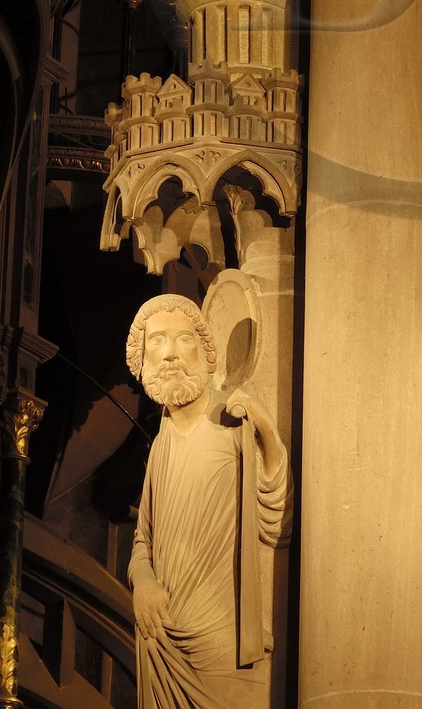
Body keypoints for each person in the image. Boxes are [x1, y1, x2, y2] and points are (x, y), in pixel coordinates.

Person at [126, 293, 288, 707]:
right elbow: (143, 536)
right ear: (142, 360)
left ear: (204, 350)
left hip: (221, 633)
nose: (169, 355)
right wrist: (142, 581)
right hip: (162, 631)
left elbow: (275, 518)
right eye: (157, 341)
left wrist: (267, 430)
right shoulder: (160, 442)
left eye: (182, 340)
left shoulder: (231, 419)